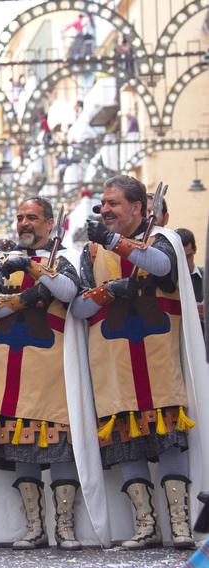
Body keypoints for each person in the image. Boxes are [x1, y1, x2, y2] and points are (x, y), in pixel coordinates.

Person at [70, 175, 195, 549]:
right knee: (127, 444)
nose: (104, 209)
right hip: (114, 362)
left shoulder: (163, 240)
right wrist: (109, 291)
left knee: (169, 442)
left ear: (138, 208)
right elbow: (78, 306)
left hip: (159, 360)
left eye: (113, 203)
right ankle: (145, 524)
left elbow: (159, 267)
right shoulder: (91, 253)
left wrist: (113, 241)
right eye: (103, 203)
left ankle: (181, 523)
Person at [0, 197, 83, 550]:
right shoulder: (2, 262)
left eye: (33, 218)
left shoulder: (67, 257)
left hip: (53, 367)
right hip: (11, 366)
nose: (25, 223)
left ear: (50, 223)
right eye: (21, 217)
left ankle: (66, 528)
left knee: (60, 450)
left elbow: (68, 291)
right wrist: (25, 299)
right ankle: (34, 527)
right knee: (21, 449)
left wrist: (35, 269)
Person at [176, 228, 204, 327]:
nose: (185, 262)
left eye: (188, 256)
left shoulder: (206, 277)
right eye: (181, 257)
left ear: (195, 250)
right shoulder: (168, 282)